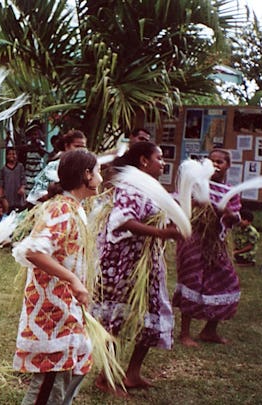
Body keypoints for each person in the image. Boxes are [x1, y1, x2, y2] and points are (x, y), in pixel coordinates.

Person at [12, 149, 102, 405]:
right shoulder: (62, 209)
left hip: (64, 307)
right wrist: (73, 280)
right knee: (51, 378)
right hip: (53, 308)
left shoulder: (74, 207)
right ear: (86, 175)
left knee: (71, 367)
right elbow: (33, 251)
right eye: (98, 172)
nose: (101, 179)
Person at [92, 141, 181, 392]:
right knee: (117, 319)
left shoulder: (150, 187)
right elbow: (122, 221)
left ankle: (132, 374)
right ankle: (104, 377)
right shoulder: (130, 185)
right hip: (123, 265)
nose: (162, 163)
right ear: (143, 161)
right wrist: (162, 234)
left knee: (152, 315)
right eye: (159, 158)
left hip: (145, 264)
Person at [173, 149, 242, 347]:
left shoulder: (231, 191)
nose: (216, 165)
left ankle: (209, 330)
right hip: (193, 240)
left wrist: (227, 213)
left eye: (220, 161)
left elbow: (235, 217)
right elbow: (182, 201)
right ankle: (184, 333)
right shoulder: (195, 185)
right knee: (192, 281)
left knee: (227, 280)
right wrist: (200, 203)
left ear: (228, 165)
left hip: (216, 243)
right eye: (212, 161)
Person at [26, 129, 87, 205]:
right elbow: (35, 195)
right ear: (66, 146)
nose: (81, 150)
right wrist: (53, 193)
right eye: (77, 146)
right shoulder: (53, 167)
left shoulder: (88, 170)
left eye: (83, 147)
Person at [0, 147, 26, 212]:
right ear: (6, 156)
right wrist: (0, 190)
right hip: (8, 195)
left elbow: (23, 179)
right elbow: (1, 182)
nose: (12, 156)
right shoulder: (3, 169)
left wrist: (22, 188)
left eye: (14, 154)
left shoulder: (20, 167)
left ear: (17, 156)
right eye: (9, 154)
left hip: (18, 196)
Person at [22, 123, 47, 194]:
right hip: (29, 171)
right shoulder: (28, 144)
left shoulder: (41, 144)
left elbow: (43, 154)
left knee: (37, 189)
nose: (34, 136)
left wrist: (38, 147)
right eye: (33, 134)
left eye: (36, 134)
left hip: (37, 170)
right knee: (28, 190)